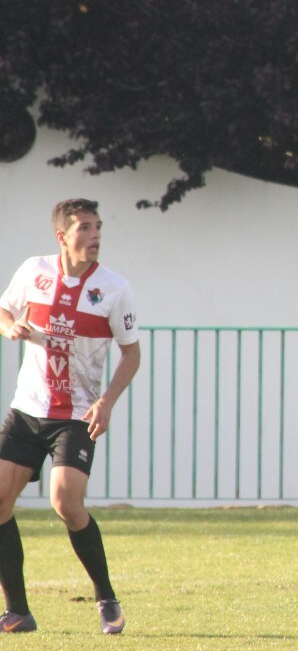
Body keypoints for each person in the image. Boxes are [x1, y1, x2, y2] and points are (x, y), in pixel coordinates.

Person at [0, 199, 141, 635]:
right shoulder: (33, 270)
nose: (95, 235)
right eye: (84, 228)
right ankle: (18, 612)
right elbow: (3, 310)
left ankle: (106, 598)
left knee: (66, 502)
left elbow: (131, 354)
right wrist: (10, 326)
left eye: (98, 227)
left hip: (76, 415)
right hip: (27, 411)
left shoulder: (115, 289)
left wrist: (107, 402)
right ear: (62, 236)